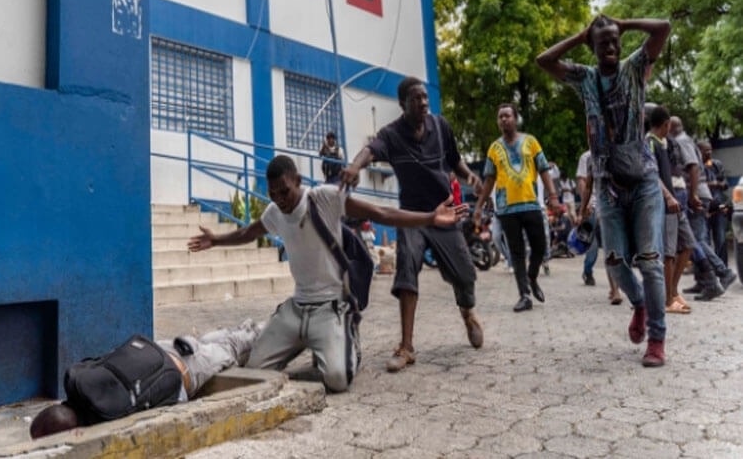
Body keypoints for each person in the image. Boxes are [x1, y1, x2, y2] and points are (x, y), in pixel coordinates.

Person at [189, 154, 468, 387]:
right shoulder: (275, 212)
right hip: (297, 309)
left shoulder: (325, 198)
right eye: (273, 194)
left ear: (298, 181)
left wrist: (429, 217)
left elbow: (379, 213)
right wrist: (216, 240)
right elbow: (250, 232)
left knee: (337, 379)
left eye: (285, 191)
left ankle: (348, 344)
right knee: (255, 371)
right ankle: (271, 335)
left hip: (331, 309)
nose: (280, 199)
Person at [537, 15, 671, 367]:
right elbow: (544, 61)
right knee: (614, 260)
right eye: (603, 42)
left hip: (643, 181)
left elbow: (663, 28)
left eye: (615, 41)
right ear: (593, 47)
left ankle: (656, 339)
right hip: (608, 186)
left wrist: (622, 23)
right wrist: (579, 36)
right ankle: (639, 302)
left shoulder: (635, 67)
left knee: (650, 260)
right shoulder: (585, 78)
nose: (611, 47)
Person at [339, 76, 484, 373]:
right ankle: (406, 347)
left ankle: (467, 311)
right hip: (412, 217)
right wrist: (354, 166)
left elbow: (455, 160)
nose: (423, 103)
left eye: (425, 98)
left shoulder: (440, 126)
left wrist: (470, 175)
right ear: (403, 103)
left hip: (444, 214)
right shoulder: (392, 134)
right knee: (406, 269)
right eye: (416, 98)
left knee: (465, 274)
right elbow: (370, 150)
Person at [29, 319, 263, 438]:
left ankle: (268, 324)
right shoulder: (76, 382)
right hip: (155, 349)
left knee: (233, 348)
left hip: (182, 368)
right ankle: (237, 329)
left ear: (74, 432)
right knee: (208, 344)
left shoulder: (108, 414)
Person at [474, 103, 560, 312]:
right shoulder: (494, 148)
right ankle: (524, 295)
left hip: (531, 203)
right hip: (506, 209)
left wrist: (553, 196)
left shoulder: (530, 142)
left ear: (515, 118)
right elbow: (489, 179)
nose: (503, 120)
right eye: (500, 117)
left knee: (540, 247)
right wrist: (478, 206)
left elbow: (544, 170)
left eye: (507, 116)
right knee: (516, 253)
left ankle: (532, 277)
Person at [645, 106, 703, 312]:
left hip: (676, 203)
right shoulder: (649, 143)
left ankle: (673, 291)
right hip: (665, 203)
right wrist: (668, 196)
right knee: (669, 252)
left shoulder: (666, 143)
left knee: (688, 243)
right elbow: (652, 174)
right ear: (667, 124)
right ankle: (668, 301)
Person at [669, 117, 737, 292]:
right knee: (693, 239)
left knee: (695, 239)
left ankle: (724, 272)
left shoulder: (681, 141)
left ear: (672, 127)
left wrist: (692, 195)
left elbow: (693, 168)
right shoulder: (685, 141)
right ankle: (703, 282)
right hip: (698, 194)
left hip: (697, 196)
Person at [576, 149, 622, 304]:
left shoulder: (619, 152)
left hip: (617, 205)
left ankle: (615, 287)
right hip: (596, 206)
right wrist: (584, 207)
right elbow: (584, 182)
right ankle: (590, 273)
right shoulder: (589, 157)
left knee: (615, 247)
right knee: (596, 246)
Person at [699, 141, 730, 264]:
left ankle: (724, 269)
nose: (709, 152)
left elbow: (725, 184)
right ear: (698, 151)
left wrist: (718, 184)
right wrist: (713, 184)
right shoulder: (695, 167)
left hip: (719, 208)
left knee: (721, 240)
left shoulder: (716, 165)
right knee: (704, 242)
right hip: (703, 210)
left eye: (710, 149)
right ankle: (710, 271)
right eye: (706, 150)